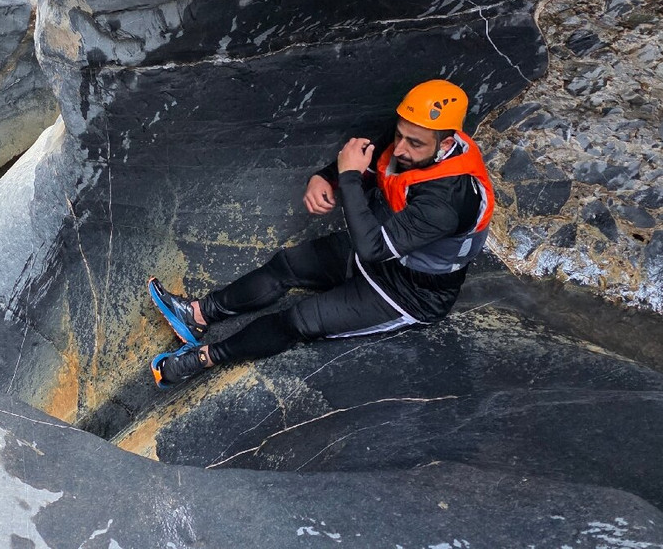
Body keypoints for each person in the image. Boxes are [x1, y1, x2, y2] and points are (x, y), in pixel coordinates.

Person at [149, 79, 495, 388]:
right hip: (384, 245)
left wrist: (347, 179)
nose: (401, 147)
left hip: (409, 290)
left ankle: (205, 358)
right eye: (400, 134)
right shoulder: (415, 139)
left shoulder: (448, 201)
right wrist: (325, 176)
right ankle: (197, 314)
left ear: (447, 144)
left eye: (414, 143)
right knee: (287, 265)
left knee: (296, 321)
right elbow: (373, 159)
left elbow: (372, 247)